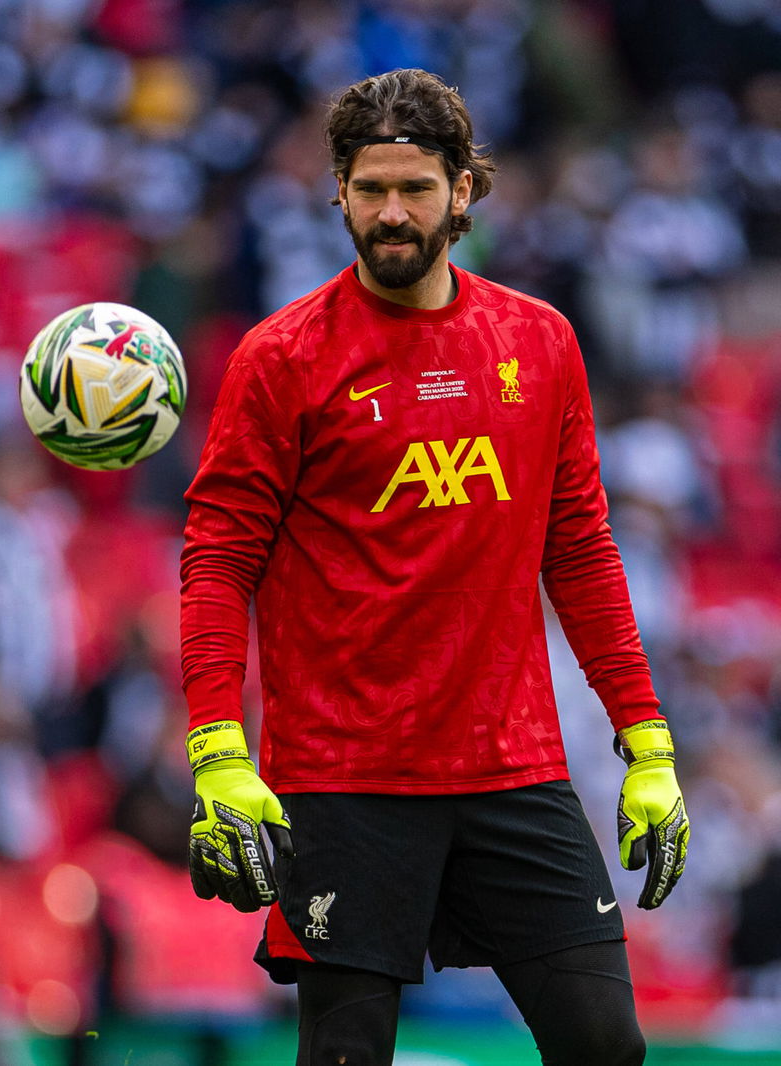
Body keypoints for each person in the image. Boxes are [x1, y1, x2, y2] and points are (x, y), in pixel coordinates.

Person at [180, 69, 689, 1066]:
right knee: (345, 1055)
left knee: (606, 1045)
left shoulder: (539, 342)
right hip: (342, 775)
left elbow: (578, 551)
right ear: (337, 190)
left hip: (513, 765)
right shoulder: (279, 359)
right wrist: (216, 751)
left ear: (463, 189)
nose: (391, 211)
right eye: (368, 188)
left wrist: (648, 742)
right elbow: (216, 559)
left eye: (414, 188)